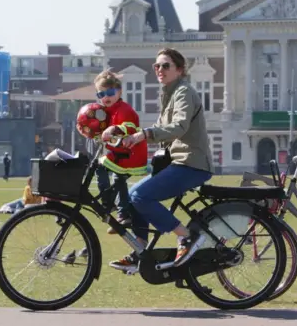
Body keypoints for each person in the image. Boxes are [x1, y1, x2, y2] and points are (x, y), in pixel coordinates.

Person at [108, 48, 214, 273]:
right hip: (177, 162)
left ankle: (186, 236)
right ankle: (140, 251)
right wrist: (124, 136)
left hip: (191, 163)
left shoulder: (183, 92)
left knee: (140, 196)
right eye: (156, 66)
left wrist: (143, 134)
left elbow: (179, 126)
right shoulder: (169, 94)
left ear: (180, 69)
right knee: (132, 195)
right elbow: (161, 132)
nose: (159, 70)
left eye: (165, 65)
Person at [85, 69, 148, 235]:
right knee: (106, 170)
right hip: (119, 153)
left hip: (131, 154)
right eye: (101, 94)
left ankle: (116, 209)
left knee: (114, 175)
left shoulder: (124, 109)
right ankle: (114, 207)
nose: (106, 97)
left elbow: (131, 127)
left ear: (119, 91)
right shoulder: (108, 111)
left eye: (110, 92)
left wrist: (115, 128)